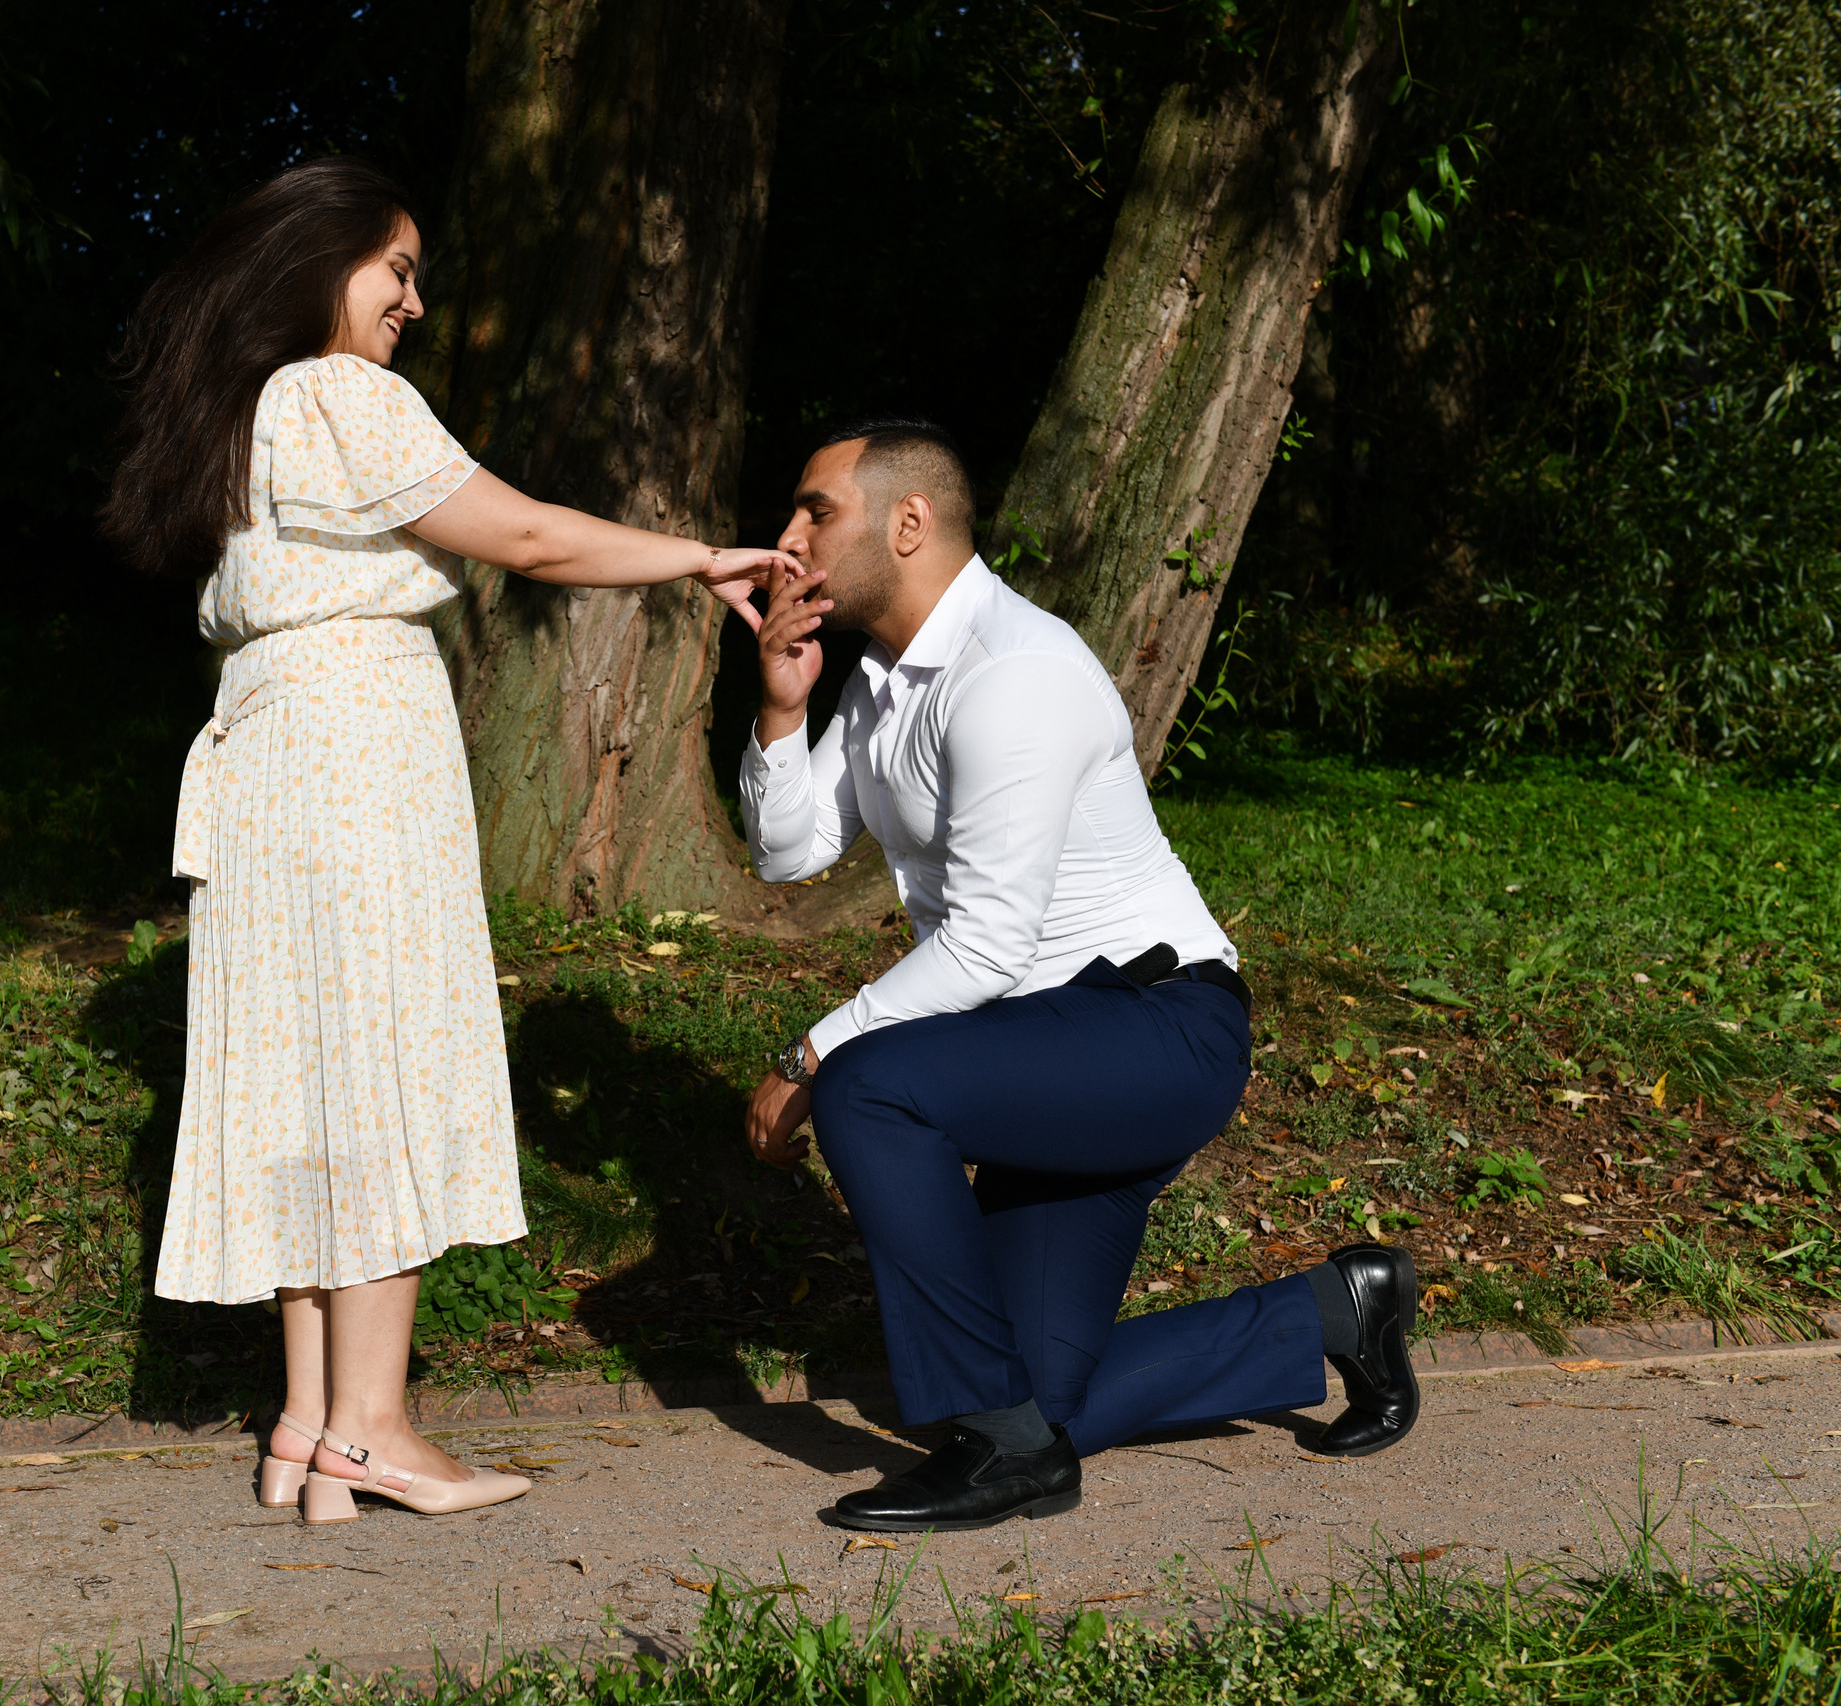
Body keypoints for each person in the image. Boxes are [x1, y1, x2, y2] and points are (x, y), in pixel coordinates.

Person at [101, 157, 790, 1525]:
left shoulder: (245, 416)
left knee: (311, 1072)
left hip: (267, 758)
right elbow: (524, 532)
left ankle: (307, 1416)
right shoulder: (343, 393)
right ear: (319, 262)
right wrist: (698, 558)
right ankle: (374, 1426)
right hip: (353, 754)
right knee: (386, 1064)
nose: (415, 300)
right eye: (397, 269)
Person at [737, 420, 1420, 1533]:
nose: (788, 536)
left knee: (871, 1083)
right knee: (1035, 1398)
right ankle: (1340, 1309)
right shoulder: (881, 680)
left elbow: (990, 943)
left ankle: (997, 1444)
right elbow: (788, 851)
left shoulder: (1018, 673)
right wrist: (780, 704)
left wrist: (812, 1052)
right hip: (1041, 1056)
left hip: (1153, 1031)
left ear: (908, 523)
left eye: (816, 510)